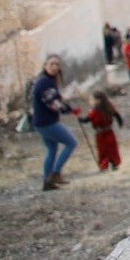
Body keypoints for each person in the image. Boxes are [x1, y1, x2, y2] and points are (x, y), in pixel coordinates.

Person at [31, 55, 81, 191]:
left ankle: (47, 182)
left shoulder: (46, 80)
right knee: (71, 143)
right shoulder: (44, 82)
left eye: (57, 64)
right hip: (47, 122)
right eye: (51, 64)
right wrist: (69, 110)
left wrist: (70, 109)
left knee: (52, 149)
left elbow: (57, 98)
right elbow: (53, 102)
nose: (54, 67)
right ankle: (55, 173)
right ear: (45, 65)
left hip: (40, 122)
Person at [83, 91, 124, 171]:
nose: (91, 101)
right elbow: (117, 115)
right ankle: (110, 164)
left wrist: (79, 118)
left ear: (98, 100)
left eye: (92, 99)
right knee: (108, 149)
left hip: (103, 133)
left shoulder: (97, 111)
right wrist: (120, 124)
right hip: (106, 132)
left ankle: (109, 164)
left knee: (106, 149)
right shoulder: (104, 109)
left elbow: (86, 120)